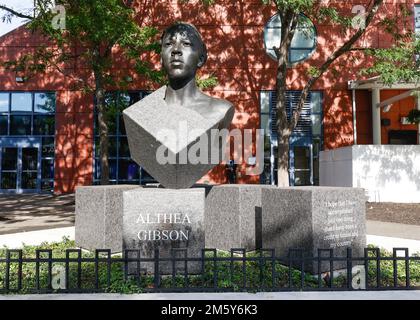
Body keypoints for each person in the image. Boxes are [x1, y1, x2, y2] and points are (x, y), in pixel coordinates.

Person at [160, 22, 234, 129]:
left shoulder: (220, 110)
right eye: (168, 44)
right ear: (161, 58)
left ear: (201, 58)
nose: (176, 50)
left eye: (186, 43)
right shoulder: (146, 112)